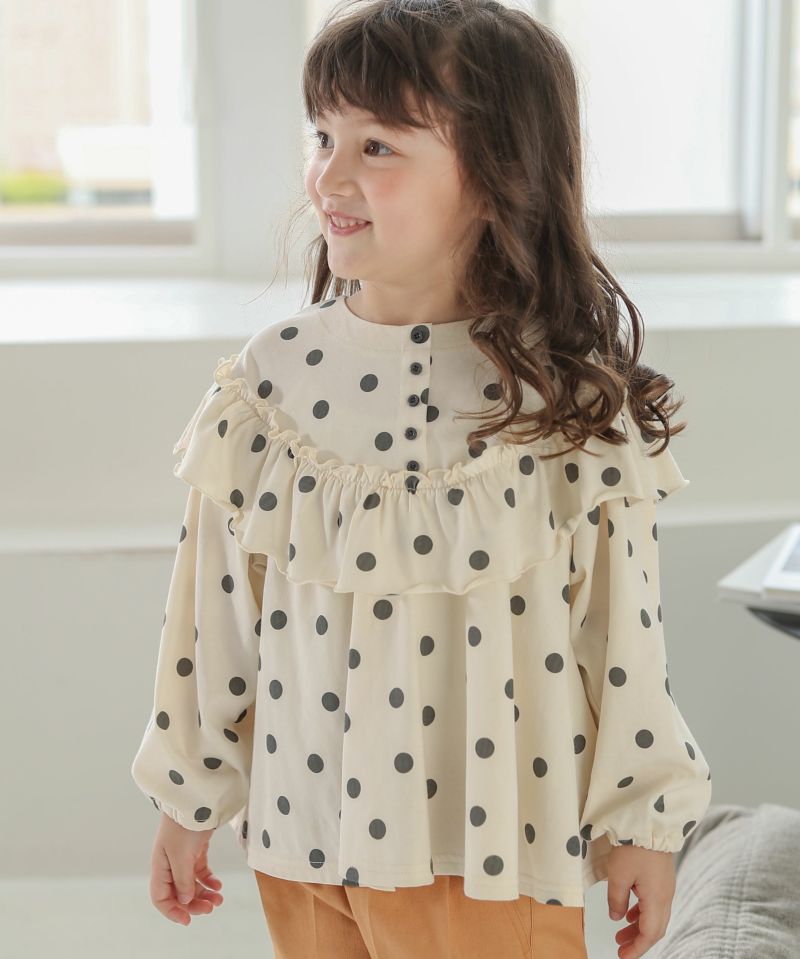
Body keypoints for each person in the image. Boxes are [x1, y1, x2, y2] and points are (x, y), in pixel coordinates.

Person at [130, 1, 713, 956]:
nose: (330, 176)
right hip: (303, 837)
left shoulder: (565, 403)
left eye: (378, 146)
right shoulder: (272, 378)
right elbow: (213, 614)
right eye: (324, 136)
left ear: (494, 175)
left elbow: (622, 639)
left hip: (495, 850)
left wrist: (643, 822)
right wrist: (185, 795)